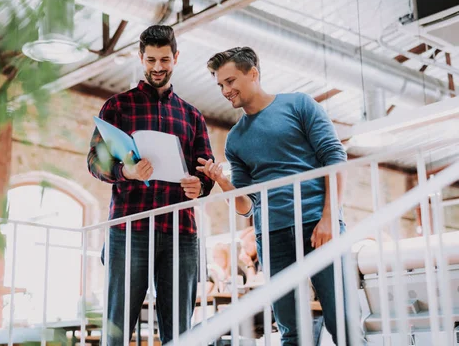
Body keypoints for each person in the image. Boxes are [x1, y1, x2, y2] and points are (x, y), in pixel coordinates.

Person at [197, 47, 361, 345]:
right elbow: (246, 206)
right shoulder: (235, 139)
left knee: (344, 324)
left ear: (253, 74)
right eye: (220, 84)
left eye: (231, 81)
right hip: (272, 237)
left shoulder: (299, 104)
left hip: (317, 226)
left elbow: (335, 157)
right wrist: (222, 181)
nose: (225, 90)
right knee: (292, 333)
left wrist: (329, 218)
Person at [87, 25, 215, 345]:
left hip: (180, 232)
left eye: (165, 59)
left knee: (180, 329)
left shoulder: (192, 116)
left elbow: (205, 171)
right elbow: (95, 162)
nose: (158, 67)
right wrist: (125, 172)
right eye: (151, 59)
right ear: (140, 57)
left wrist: (199, 186)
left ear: (176, 58)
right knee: (118, 323)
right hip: (130, 229)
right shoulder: (117, 107)